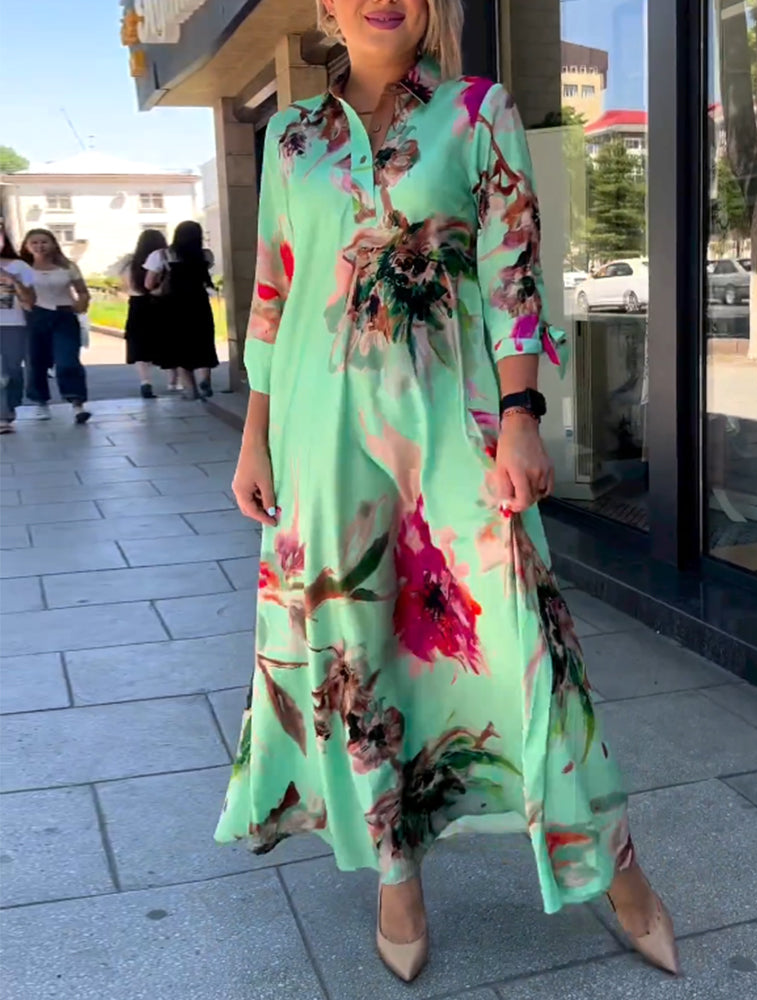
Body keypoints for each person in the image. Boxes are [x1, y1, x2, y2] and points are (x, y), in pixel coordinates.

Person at [217, 0, 679, 983]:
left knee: (525, 638)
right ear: (327, 7)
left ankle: (613, 863)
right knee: (353, 648)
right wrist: (255, 437)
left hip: (452, 425)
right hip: (319, 434)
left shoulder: (476, 111)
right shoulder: (291, 135)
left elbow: (514, 277)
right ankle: (397, 874)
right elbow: (272, 293)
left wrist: (521, 414)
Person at [20, 228, 91, 423]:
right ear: (27, 246)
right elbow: (24, 294)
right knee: (36, 361)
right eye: (34, 243)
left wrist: (82, 303)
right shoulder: (25, 268)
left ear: (53, 244)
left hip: (64, 315)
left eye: (44, 242)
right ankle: (40, 402)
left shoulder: (67, 266)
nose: (39, 246)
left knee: (67, 361)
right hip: (35, 315)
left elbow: (82, 291)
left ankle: (77, 403)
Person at [143, 220, 218, 399]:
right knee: (203, 343)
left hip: (173, 307)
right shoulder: (206, 255)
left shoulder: (162, 255)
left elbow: (148, 283)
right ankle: (205, 380)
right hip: (199, 305)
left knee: (180, 348)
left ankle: (191, 390)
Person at [122, 228, 168, 398]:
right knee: (167, 340)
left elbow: (126, 285)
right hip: (161, 303)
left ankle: (145, 381)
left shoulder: (130, 263)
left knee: (139, 343)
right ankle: (174, 381)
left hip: (137, 304)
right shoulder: (165, 258)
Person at [0, 222, 37, 434]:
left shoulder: (19, 266)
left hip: (13, 324)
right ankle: (2, 415)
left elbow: (31, 301)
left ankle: (10, 406)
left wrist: (13, 281)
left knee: (12, 371)